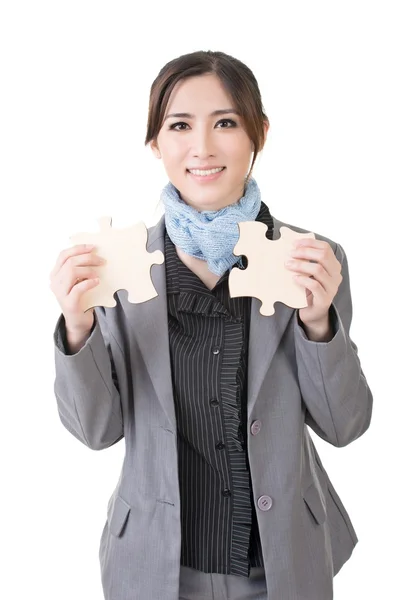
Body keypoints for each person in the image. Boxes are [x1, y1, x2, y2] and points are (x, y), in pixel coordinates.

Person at [50, 50, 373, 600]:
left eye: (226, 122)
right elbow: (96, 432)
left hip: (280, 561)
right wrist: (77, 329)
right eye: (179, 125)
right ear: (155, 143)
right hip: (156, 565)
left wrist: (319, 322)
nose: (202, 147)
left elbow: (345, 426)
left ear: (259, 134)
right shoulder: (115, 266)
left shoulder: (311, 259)